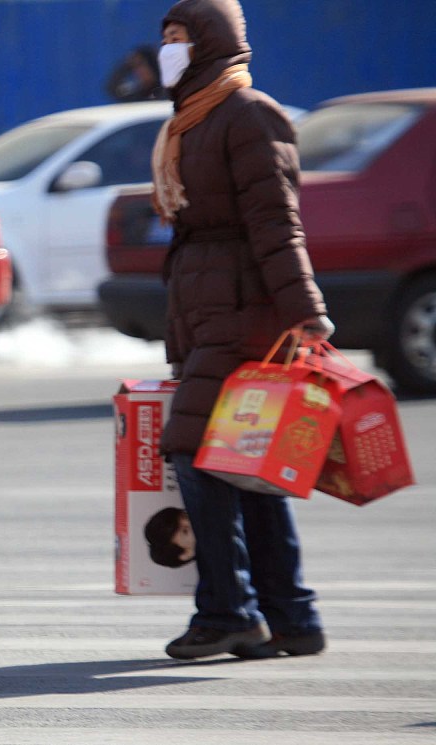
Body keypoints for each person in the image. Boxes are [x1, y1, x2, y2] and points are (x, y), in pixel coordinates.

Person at [150, 0, 335, 661]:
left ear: (212, 43)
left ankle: (229, 611)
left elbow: (277, 224)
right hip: (207, 312)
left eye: (181, 37)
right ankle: (291, 617)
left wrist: (306, 311)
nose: (169, 48)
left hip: (243, 314)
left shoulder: (247, 115)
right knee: (243, 463)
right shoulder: (189, 120)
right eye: (165, 37)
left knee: (195, 452)